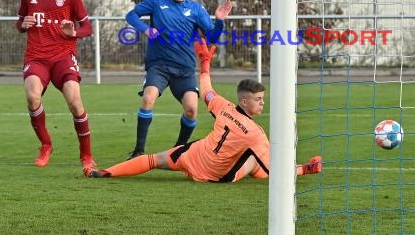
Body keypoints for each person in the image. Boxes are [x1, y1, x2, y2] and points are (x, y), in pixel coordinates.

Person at [84, 41, 322, 181]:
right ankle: (308, 168)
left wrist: (205, 64)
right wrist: (299, 169)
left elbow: (206, 89)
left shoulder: (223, 106)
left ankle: (106, 173)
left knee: (154, 159)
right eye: (259, 100)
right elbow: (275, 171)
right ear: (245, 102)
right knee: (257, 161)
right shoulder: (256, 133)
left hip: (194, 156)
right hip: (217, 176)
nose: (262, 103)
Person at [124, 0, 233, 159]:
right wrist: (146, 29)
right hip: (159, 66)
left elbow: (212, 38)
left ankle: (179, 149)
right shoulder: (156, 1)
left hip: (184, 69)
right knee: (148, 98)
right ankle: (138, 150)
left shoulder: (195, 9)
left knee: (191, 109)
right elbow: (131, 15)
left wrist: (220, 21)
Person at [16, 0, 96, 169]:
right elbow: (21, 20)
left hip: (63, 56)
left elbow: (87, 27)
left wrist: (74, 33)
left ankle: (86, 156)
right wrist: (22, 26)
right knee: (32, 97)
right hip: (37, 56)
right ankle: (46, 145)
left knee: (75, 102)